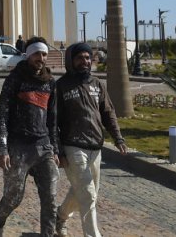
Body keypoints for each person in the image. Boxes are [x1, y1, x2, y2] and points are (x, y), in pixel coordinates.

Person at [55, 42, 127, 237]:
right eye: (80, 58)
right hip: (72, 146)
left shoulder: (97, 84)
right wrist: (58, 150)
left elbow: (108, 113)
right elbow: (52, 122)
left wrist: (118, 138)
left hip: (95, 146)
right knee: (88, 195)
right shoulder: (60, 86)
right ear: (71, 60)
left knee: (85, 190)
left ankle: (60, 215)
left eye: (88, 58)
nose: (85, 61)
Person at [0, 37, 59, 237]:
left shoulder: (50, 83)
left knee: (50, 197)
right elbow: (2, 114)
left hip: (44, 146)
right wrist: (3, 149)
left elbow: (53, 119)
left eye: (44, 54)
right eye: (37, 53)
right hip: (19, 147)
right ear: (29, 55)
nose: (41, 58)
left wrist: (55, 148)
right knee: (13, 196)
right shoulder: (15, 79)